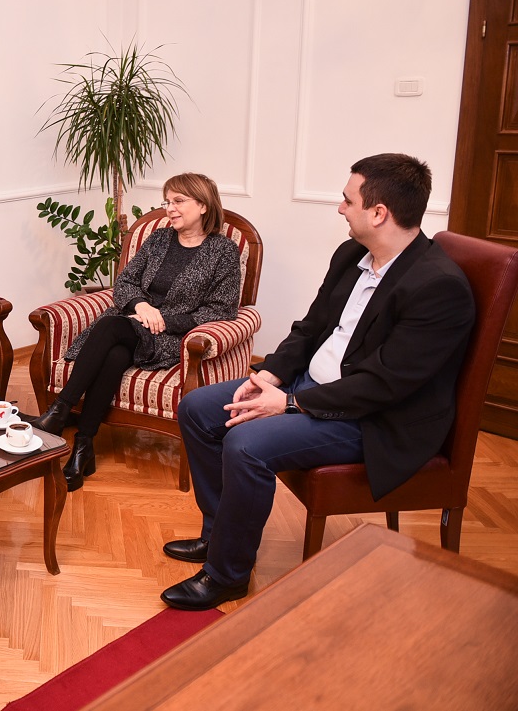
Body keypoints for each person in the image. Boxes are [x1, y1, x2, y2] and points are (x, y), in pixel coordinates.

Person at [160, 153, 475, 611]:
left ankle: (227, 574)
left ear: (379, 213)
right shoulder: (352, 255)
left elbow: (383, 385)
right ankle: (219, 535)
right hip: (309, 386)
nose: (340, 208)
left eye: (348, 200)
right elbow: (309, 329)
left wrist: (289, 404)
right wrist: (267, 376)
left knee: (246, 444)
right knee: (198, 408)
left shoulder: (437, 286)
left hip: (372, 418)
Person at [31, 173, 241, 491]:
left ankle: (59, 413)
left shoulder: (223, 252)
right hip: (130, 322)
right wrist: (142, 306)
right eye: (167, 201)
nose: (169, 208)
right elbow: (126, 281)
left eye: (178, 201)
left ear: (202, 205)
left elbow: (220, 310)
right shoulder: (159, 239)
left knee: (111, 327)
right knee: (115, 353)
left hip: (168, 336)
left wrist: (163, 320)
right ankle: (83, 445)